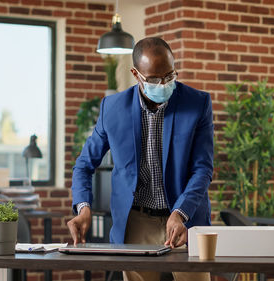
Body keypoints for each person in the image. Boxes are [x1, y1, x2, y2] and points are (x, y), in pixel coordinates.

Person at [67, 37, 214, 281]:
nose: (164, 83)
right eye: (155, 79)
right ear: (136, 74)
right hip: (136, 222)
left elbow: (203, 169)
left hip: (184, 219)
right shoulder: (112, 108)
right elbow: (84, 164)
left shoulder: (197, 103)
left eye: (170, 75)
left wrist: (181, 212)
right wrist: (83, 208)